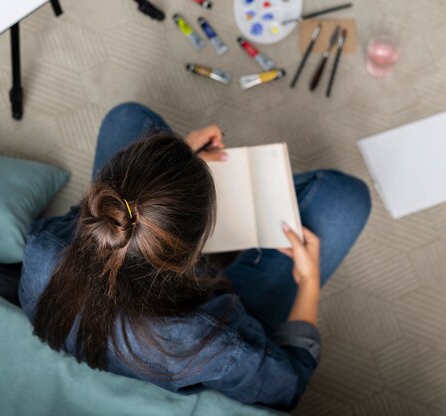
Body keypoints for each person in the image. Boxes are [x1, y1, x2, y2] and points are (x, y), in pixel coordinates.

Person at [19, 102, 371, 410]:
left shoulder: (41, 246)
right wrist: (308, 284)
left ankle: (164, 175)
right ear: (195, 247)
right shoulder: (210, 341)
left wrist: (176, 165)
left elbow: (87, 220)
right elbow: (287, 386)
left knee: (126, 117)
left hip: (140, 296)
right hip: (191, 321)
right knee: (347, 199)